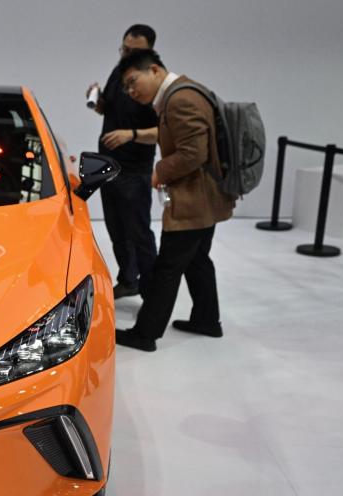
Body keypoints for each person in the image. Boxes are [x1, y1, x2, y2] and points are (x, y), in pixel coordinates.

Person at [114, 49, 235, 352]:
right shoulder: (187, 90)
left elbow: (194, 154)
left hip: (193, 199)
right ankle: (207, 319)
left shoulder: (180, 99)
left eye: (132, 82)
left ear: (154, 70)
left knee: (166, 268)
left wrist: (159, 171)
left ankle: (145, 334)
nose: (131, 91)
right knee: (197, 260)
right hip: (207, 197)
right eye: (126, 88)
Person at [87, 24, 160, 300]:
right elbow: (111, 108)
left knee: (138, 232)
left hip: (135, 169)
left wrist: (130, 135)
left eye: (133, 52)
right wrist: (97, 103)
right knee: (116, 228)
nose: (126, 55)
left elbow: (164, 132)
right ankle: (129, 280)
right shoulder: (120, 72)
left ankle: (153, 293)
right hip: (109, 164)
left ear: (150, 53)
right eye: (124, 49)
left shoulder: (153, 84)